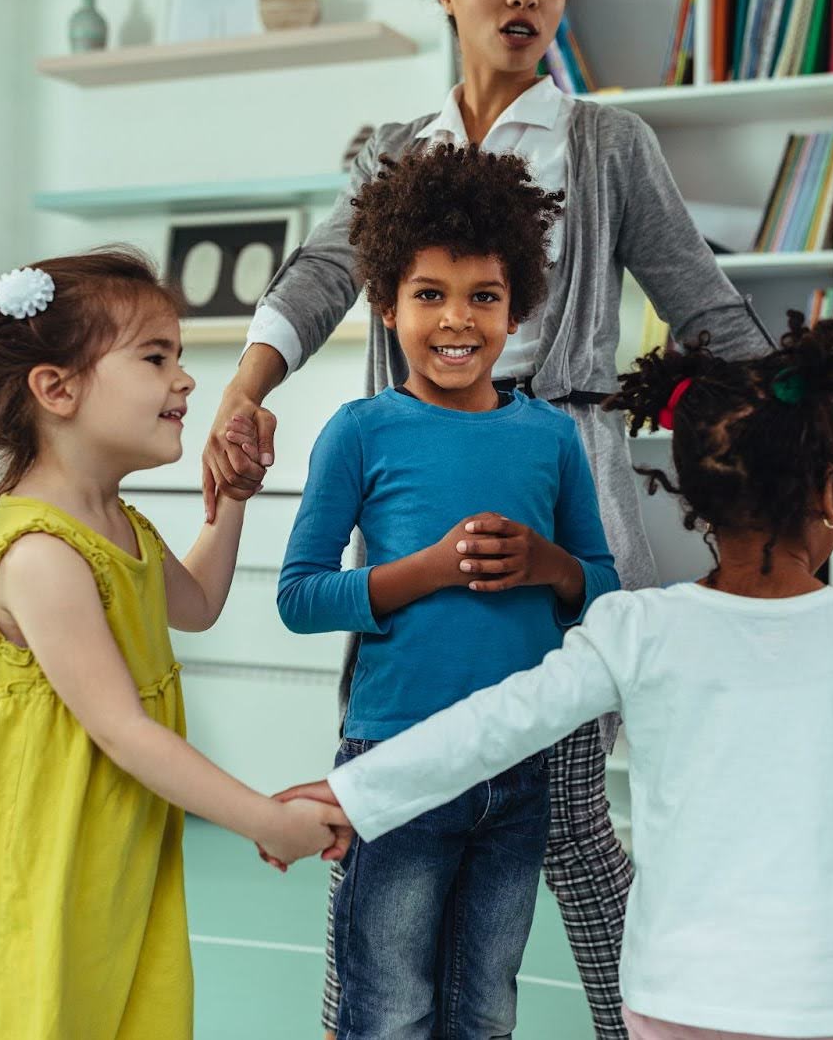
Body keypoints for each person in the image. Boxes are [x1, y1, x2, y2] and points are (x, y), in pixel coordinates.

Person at [277, 315, 833, 1040]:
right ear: (831, 493)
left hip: (674, 997)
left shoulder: (638, 630)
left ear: (696, 501)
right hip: (825, 1003)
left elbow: (492, 725)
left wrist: (355, 793)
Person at [206, 0, 775, 1034]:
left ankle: (644, 1023)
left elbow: (702, 302)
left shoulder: (608, 144)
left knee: (568, 819)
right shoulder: (394, 155)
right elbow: (320, 272)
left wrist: (803, 435)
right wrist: (245, 388)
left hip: (561, 502)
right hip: (415, 516)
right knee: (389, 793)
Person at [0, 248, 350, 1039]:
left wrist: (233, 498)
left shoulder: (115, 523)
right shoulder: (42, 553)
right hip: (37, 860)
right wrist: (262, 819)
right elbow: (122, 729)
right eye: (155, 358)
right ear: (57, 389)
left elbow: (198, 603)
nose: (186, 380)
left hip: (107, 844)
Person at [264, 143, 618, 1039]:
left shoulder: (551, 438)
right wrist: (425, 570)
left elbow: (605, 591)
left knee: (485, 1010)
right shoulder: (360, 431)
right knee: (388, 1011)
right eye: (429, 294)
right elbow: (300, 596)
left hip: (520, 765)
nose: (456, 319)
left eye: (482, 297)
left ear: (517, 307)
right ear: (386, 304)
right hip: (395, 758)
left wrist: (548, 565)